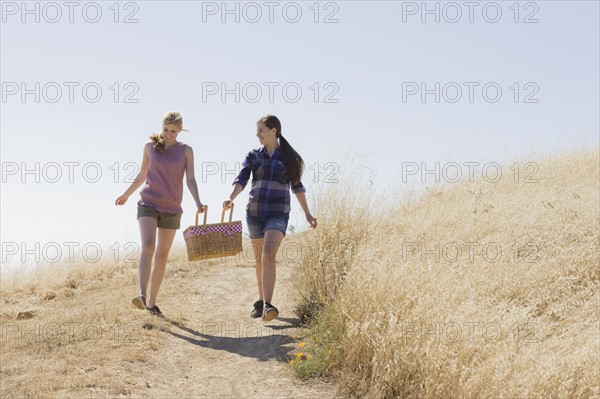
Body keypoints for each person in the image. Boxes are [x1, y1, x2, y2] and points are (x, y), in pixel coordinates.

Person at [223, 115, 317, 322]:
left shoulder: (288, 158)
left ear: (273, 130)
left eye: (261, 130)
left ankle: (268, 305)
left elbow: (297, 187)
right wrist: (230, 198)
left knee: (268, 256)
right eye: (257, 131)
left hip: (278, 213)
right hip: (254, 214)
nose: (257, 134)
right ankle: (261, 300)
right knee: (259, 260)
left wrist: (308, 213)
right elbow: (241, 179)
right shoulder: (253, 156)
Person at [115, 111, 204, 316]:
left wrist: (198, 201)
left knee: (162, 256)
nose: (169, 134)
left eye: (173, 131)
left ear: (180, 130)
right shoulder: (150, 148)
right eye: (166, 130)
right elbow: (141, 174)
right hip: (148, 202)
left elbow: (190, 179)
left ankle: (152, 303)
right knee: (148, 246)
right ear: (161, 127)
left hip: (172, 208)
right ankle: (142, 295)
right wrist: (126, 194)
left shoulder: (186, 151)